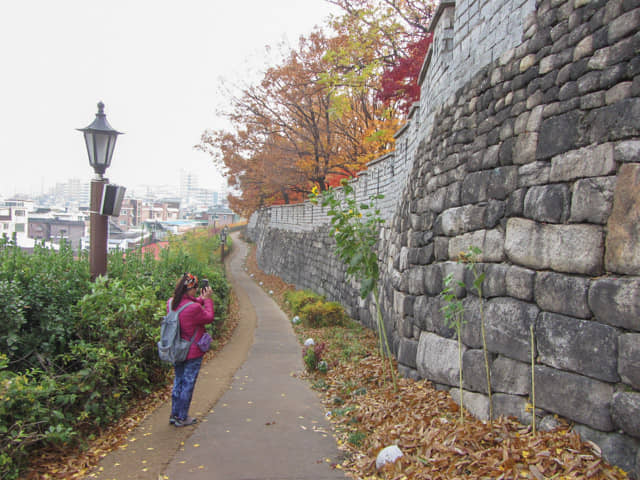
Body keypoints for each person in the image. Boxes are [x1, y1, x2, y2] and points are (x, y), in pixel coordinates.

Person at [167, 272, 214, 427]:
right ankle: (182, 417)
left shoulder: (171, 303)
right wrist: (208, 301)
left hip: (177, 349)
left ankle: (174, 414)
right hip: (192, 351)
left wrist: (201, 299)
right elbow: (208, 317)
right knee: (188, 382)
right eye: (195, 287)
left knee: (178, 381)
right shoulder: (193, 308)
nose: (196, 290)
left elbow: (188, 305)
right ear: (190, 288)